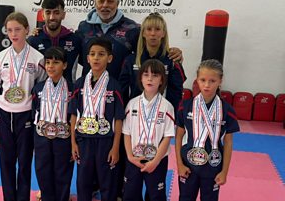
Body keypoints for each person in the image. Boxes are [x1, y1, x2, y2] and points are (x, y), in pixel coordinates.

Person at [0, 12, 46, 201]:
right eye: (9, 30)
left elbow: (40, 84)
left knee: (24, 161)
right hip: (5, 113)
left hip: (26, 114)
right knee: (6, 161)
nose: (13, 34)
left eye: (17, 29)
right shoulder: (0, 57)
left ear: (26, 30)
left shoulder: (37, 58)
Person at [76, 0, 183, 80]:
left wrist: (172, 52)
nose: (105, 5)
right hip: (89, 90)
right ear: (95, 3)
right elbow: (77, 57)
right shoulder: (83, 28)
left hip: (120, 91)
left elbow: (150, 53)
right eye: (101, 1)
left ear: (117, 3)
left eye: (110, 1)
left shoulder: (132, 29)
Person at [69, 37, 125, 201]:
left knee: (108, 183)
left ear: (109, 58)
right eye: (92, 54)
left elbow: (119, 119)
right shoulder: (79, 84)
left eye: (101, 54)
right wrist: (73, 143)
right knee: (83, 182)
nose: (96, 58)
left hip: (106, 142)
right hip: (84, 140)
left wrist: (116, 147)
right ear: (87, 59)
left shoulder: (114, 86)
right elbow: (73, 114)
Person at [175, 59, 240, 201]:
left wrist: (224, 172)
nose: (207, 85)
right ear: (196, 80)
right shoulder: (185, 106)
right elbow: (179, 137)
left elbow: (228, 143)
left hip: (213, 165)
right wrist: (179, 164)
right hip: (188, 165)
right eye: (203, 80)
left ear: (220, 81)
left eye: (212, 81)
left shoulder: (227, 110)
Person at [122, 59, 175, 201]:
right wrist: (129, 157)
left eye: (155, 75)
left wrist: (155, 161)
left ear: (162, 80)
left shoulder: (167, 106)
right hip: (134, 158)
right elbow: (126, 133)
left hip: (157, 160)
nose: (150, 78)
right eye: (146, 74)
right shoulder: (132, 104)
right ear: (140, 78)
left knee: (156, 196)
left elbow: (168, 137)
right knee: (130, 194)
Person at [119, 12, 186, 113]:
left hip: (163, 116)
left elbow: (176, 93)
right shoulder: (131, 60)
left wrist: (174, 118)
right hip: (136, 114)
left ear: (163, 33)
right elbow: (122, 91)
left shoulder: (172, 60)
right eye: (149, 29)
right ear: (143, 33)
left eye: (157, 29)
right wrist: (123, 115)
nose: (153, 33)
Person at [32, 47, 74, 201]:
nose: (50, 66)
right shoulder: (38, 88)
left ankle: (62, 197)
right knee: (42, 170)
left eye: (55, 62)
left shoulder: (72, 88)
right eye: (48, 62)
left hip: (63, 137)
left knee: (63, 170)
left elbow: (74, 115)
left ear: (64, 65)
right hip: (42, 137)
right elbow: (33, 112)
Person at [28, 0, 82, 83]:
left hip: (69, 93)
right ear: (42, 15)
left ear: (63, 15)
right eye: (48, 13)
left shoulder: (75, 40)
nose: (52, 17)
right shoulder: (33, 41)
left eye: (56, 13)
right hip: (40, 93)